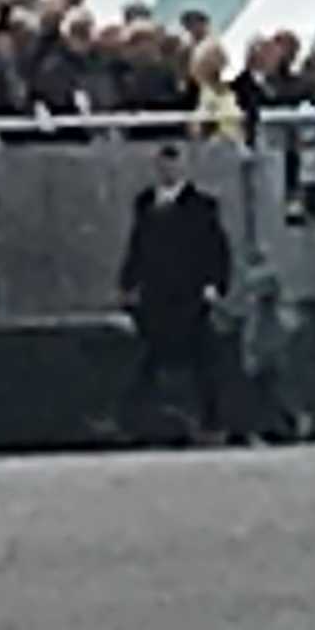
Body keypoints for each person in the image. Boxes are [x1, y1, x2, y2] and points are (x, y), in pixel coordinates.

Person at [117, 136, 235, 443]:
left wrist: (215, 285)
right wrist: (128, 284)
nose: (169, 169)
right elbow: (137, 246)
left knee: (202, 361)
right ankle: (136, 421)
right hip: (156, 294)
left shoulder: (201, 206)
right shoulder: (146, 203)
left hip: (189, 294)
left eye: (174, 162)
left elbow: (216, 249)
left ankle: (212, 422)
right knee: (149, 359)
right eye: (164, 163)